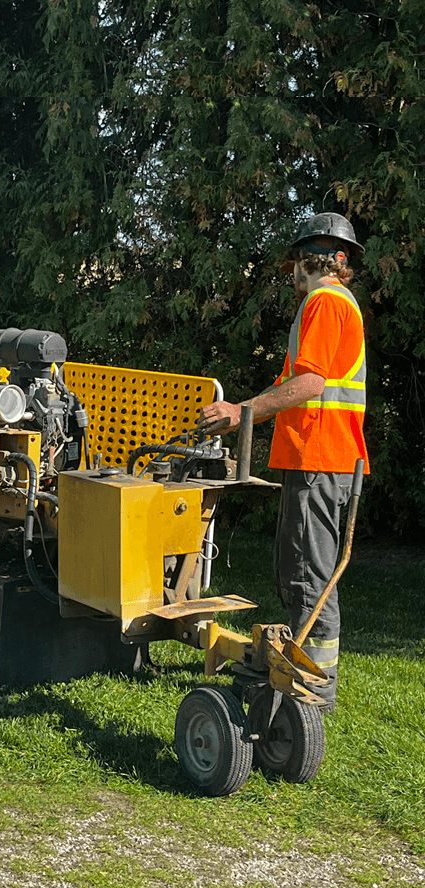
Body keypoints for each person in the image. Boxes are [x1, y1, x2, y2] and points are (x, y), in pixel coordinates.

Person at [197, 212, 370, 711]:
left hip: (321, 458)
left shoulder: (323, 301)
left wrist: (239, 412)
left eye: (294, 260)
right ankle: (299, 674)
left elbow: (310, 384)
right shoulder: (339, 304)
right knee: (302, 571)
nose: (291, 271)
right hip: (328, 459)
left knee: (308, 576)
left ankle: (310, 694)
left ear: (308, 259)